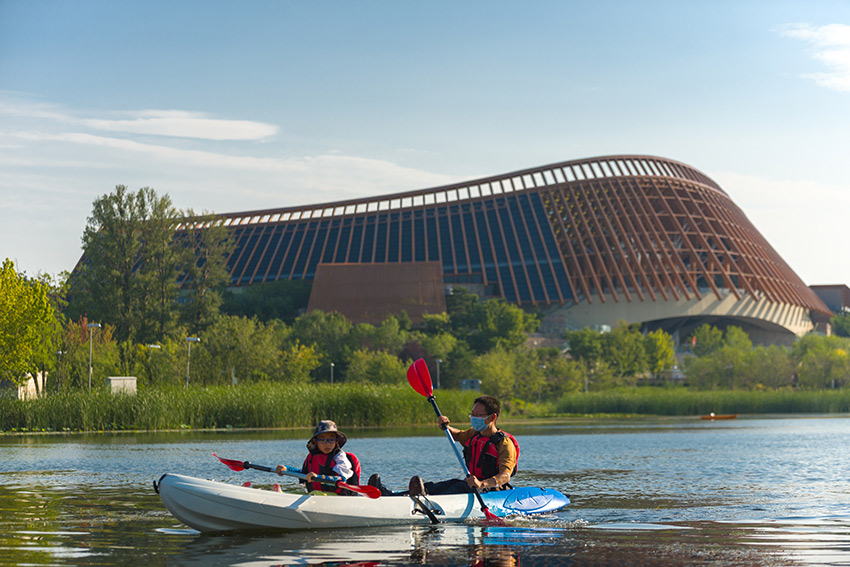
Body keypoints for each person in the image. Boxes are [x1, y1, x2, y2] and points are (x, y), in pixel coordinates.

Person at [368, 395, 519, 496]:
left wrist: (481, 483)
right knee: (437, 485)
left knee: (458, 487)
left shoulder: (504, 444)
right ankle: (389, 495)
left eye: (477, 415)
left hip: (491, 490)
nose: (473, 418)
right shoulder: (474, 434)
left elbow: (504, 476)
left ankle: (419, 499)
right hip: (471, 484)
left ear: (492, 417)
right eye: (472, 414)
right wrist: (446, 426)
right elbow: (457, 435)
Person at [279, 420, 361, 495]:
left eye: (331, 440)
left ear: (336, 441)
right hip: (316, 494)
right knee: (298, 493)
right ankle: (280, 495)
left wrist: (319, 477)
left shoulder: (340, 457)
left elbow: (342, 478)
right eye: (322, 440)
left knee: (314, 493)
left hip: (337, 497)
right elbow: (305, 474)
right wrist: (286, 469)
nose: (327, 444)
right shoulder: (312, 457)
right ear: (315, 441)